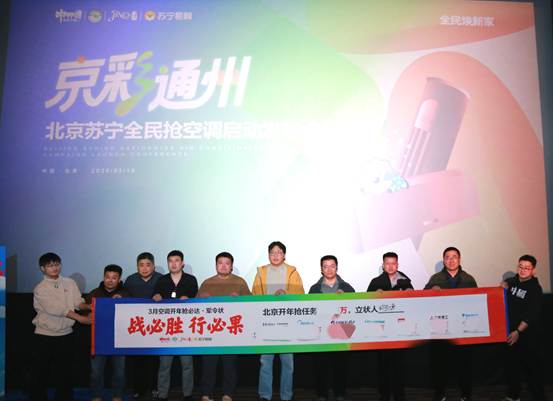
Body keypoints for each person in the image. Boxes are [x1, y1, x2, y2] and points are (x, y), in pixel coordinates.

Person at [29, 252, 91, 401]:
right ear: (42, 268)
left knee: (65, 372)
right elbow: (57, 309)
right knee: (40, 372)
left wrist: (89, 306)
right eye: (50, 266)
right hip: (44, 335)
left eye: (57, 264)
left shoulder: (69, 282)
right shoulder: (40, 288)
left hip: (66, 334)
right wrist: (81, 319)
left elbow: (78, 302)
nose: (54, 268)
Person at [252, 241, 304, 401]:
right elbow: (254, 295)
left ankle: (286, 396)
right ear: (268, 255)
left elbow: (301, 295)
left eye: (279, 252)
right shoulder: (261, 272)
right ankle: (264, 395)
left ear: (284, 255)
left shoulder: (292, 272)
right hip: (266, 322)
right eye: (272, 252)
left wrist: (286, 293)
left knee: (288, 363)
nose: (275, 255)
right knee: (265, 362)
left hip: (287, 323)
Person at [424, 247, 477, 401]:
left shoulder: (469, 279)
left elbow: (477, 302)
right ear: (444, 260)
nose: (451, 260)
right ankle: (440, 393)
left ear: (459, 259)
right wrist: (430, 290)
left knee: (465, 363)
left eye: (454, 257)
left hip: (463, 327)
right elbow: (423, 299)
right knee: (439, 363)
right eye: (448, 257)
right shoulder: (435, 279)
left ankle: (466, 394)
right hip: (440, 327)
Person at [198, 251, 252, 401]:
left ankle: (228, 393)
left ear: (231, 266)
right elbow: (194, 306)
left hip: (231, 332)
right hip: (211, 331)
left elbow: (251, 303)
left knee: (229, 365)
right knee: (208, 365)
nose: (223, 266)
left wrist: (240, 299)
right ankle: (207, 394)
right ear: (216, 265)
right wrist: (201, 298)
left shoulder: (240, 282)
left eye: (227, 263)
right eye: (220, 263)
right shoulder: (207, 283)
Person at [367, 252, 413, 401]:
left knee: (400, 364)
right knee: (383, 364)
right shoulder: (376, 282)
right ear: (383, 265)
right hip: (383, 331)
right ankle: (384, 394)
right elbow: (366, 304)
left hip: (401, 329)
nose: (391, 266)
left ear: (397, 265)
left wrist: (411, 294)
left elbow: (414, 305)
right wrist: (374, 295)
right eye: (387, 263)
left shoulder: (406, 282)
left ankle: (400, 394)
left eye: (393, 263)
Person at [308, 255, 355, 401]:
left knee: (340, 366)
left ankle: (340, 393)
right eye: (325, 266)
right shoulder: (314, 289)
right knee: (320, 366)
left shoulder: (347, 288)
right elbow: (309, 311)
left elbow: (356, 309)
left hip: (341, 334)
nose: (329, 269)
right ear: (321, 269)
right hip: (321, 335)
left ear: (337, 268)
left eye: (332, 266)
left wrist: (346, 297)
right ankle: (322, 394)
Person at [153, 250, 198, 401]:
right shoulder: (162, 280)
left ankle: (188, 394)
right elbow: (155, 295)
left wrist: (189, 298)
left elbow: (196, 297)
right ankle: (162, 394)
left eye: (177, 260)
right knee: (164, 364)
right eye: (170, 261)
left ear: (182, 263)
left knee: (187, 364)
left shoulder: (191, 280)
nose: (173, 264)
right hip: (167, 328)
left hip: (185, 328)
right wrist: (156, 296)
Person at [501, 255, 547, 401]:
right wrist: (502, 286)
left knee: (532, 369)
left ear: (533, 270)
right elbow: (501, 296)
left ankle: (539, 397)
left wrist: (518, 331)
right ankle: (513, 395)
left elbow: (532, 314)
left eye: (527, 268)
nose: (523, 270)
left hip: (528, 336)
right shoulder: (511, 282)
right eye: (520, 267)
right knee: (512, 367)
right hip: (511, 333)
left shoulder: (535, 288)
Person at [85, 264, 130, 401]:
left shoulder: (125, 294)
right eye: (107, 277)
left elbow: (132, 314)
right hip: (99, 339)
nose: (110, 280)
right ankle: (96, 395)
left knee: (120, 372)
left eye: (114, 278)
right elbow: (85, 313)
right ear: (103, 277)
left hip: (119, 339)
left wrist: (123, 300)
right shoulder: (94, 293)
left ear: (119, 279)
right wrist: (89, 313)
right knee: (96, 372)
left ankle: (117, 395)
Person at [124, 252, 163, 400]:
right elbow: (124, 298)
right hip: (137, 326)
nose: (145, 268)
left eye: (148, 265)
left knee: (154, 360)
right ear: (137, 266)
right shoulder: (130, 280)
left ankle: (154, 388)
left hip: (156, 326)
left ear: (153, 266)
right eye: (141, 265)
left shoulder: (161, 279)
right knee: (138, 360)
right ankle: (138, 389)